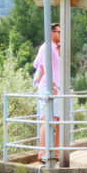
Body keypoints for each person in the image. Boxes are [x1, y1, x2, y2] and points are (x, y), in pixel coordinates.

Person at [33, 23, 62, 163]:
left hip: (53, 87)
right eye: (58, 32)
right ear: (51, 33)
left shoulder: (52, 48)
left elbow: (39, 65)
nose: (60, 34)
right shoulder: (47, 48)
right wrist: (53, 85)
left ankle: (55, 152)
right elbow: (45, 66)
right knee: (47, 118)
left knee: (56, 118)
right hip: (50, 87)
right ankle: (43, 152)